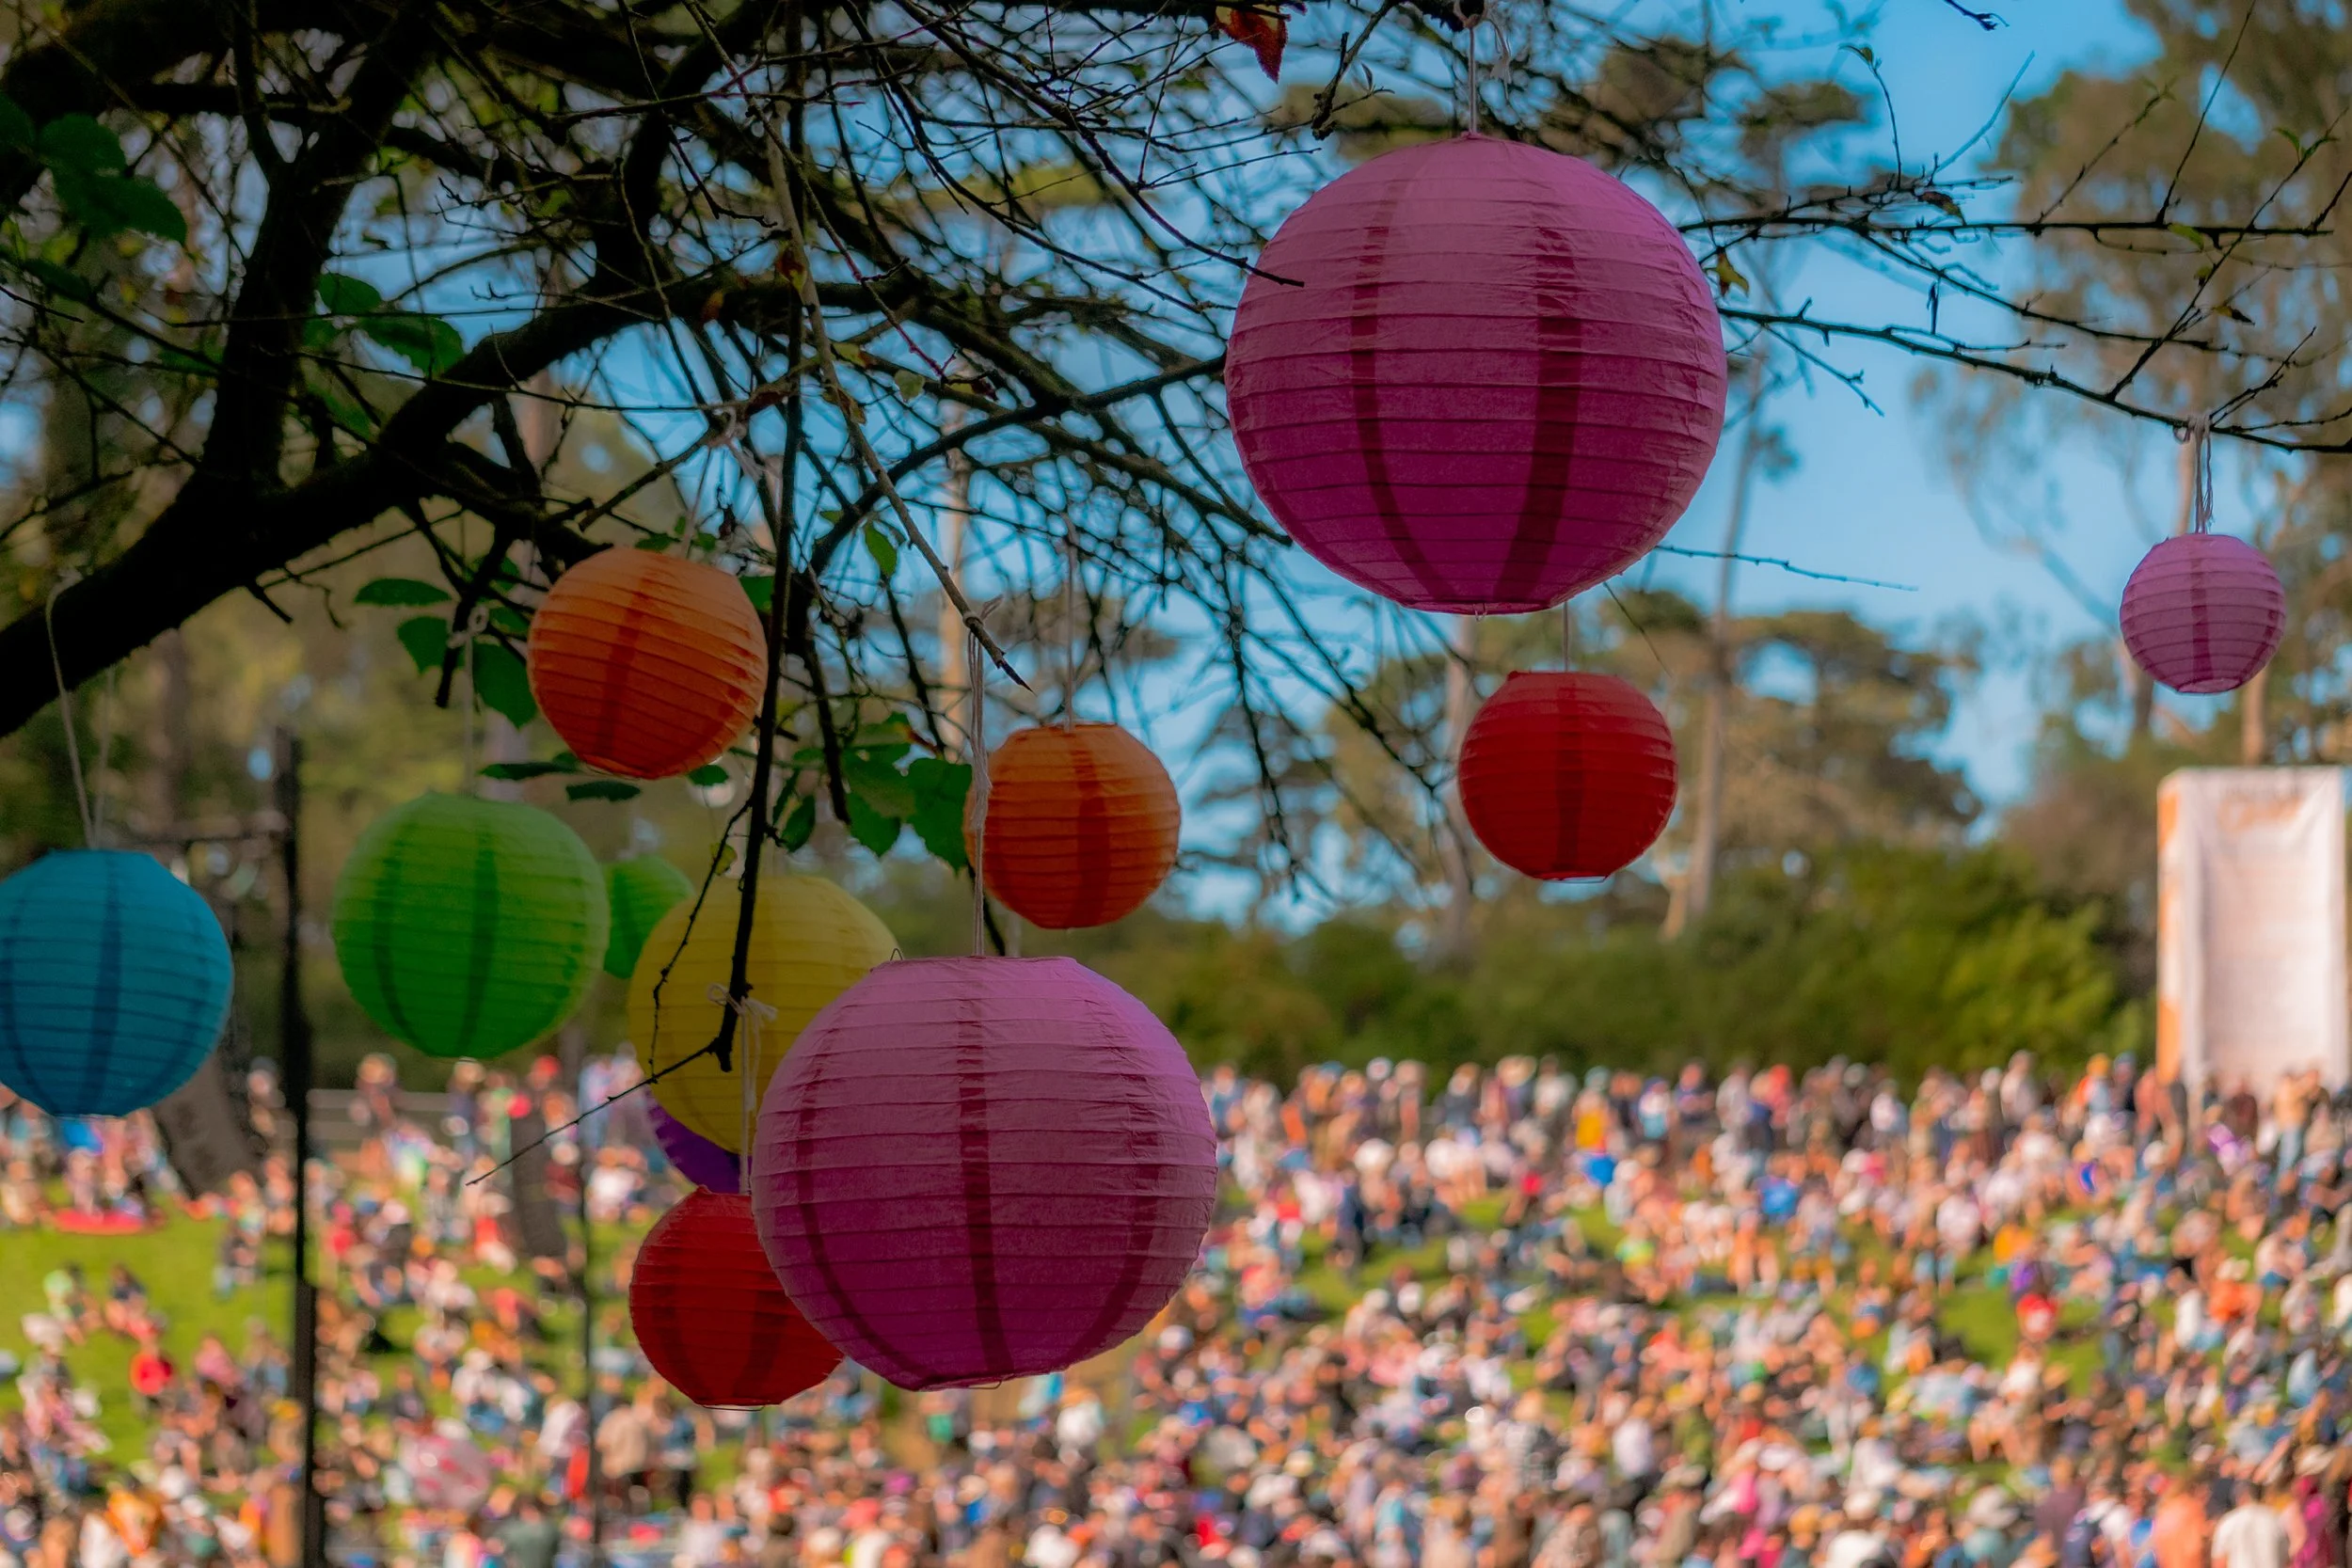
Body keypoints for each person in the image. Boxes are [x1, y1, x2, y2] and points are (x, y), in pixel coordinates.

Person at [2215, 1483, 2292, 1568]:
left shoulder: (2228, 1521)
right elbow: (2286, 1558)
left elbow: (2219, 1561)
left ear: (2241, 1497)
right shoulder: (2275, 1518)